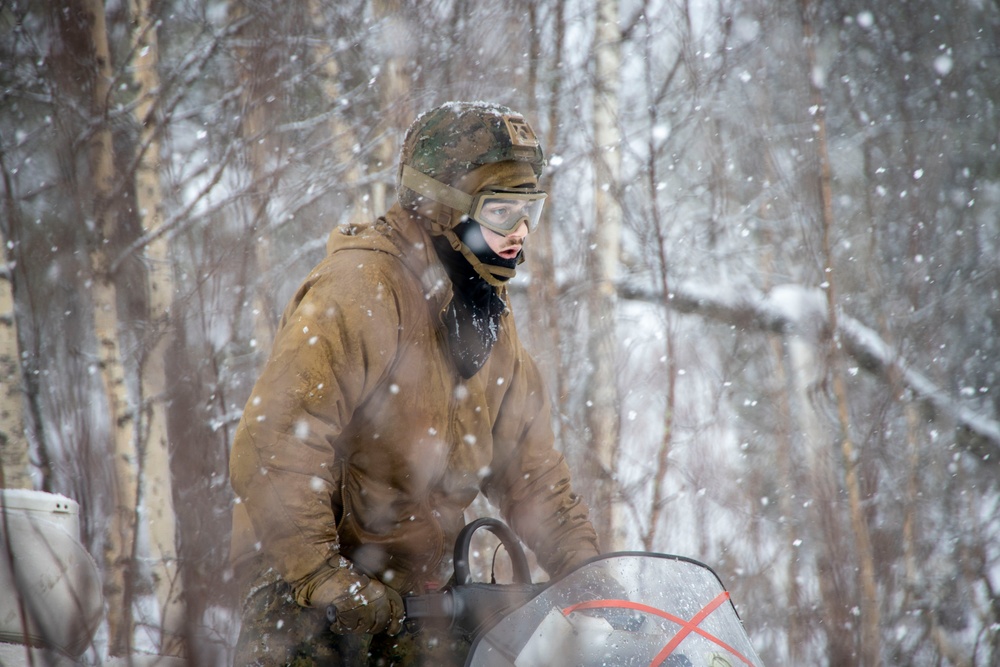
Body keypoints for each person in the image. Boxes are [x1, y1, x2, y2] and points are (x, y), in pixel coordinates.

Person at [228, 101, 601, 666]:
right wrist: (322, 575)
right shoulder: (359, 289)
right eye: (501, 211)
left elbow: (533, 476)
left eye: (531, 213)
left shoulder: (486, 316)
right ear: (439, 207)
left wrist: (590, 580)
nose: (521, 232)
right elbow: (276, 442)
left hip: (419, 605)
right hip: (304, 594)